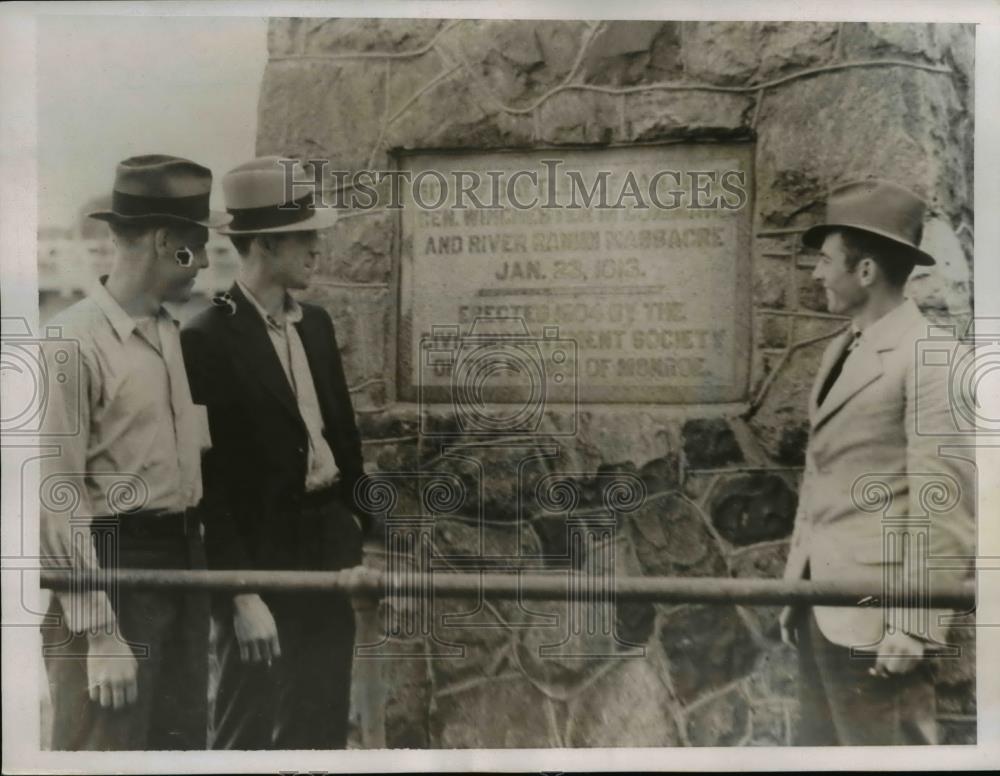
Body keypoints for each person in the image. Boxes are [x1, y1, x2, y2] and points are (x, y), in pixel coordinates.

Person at [40, 155, 231, 749]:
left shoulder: (169, 333)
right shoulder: (71, 342)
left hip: (180, 564)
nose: (202, 262)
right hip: (112, 570)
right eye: (194, 247)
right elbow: (55, 496)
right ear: (162, 241)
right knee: (106, 749)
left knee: (178, 748)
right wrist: (99, 630)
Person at [181, 156, 368, 749]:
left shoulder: (315, 325)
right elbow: (206, 482)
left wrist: (369, 536)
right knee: (249, 726)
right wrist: (239, 592)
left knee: (321, 721)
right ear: (261, 243)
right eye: (303, 235)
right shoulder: (206, 337)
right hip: (260, 561)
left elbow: (344, 441)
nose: (317, 248)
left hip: (329, 548)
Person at [779, 179, 975, 745]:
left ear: (865, 271)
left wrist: (914, 627)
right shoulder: (843, 349)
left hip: (878, 624)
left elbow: (947, 507)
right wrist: (798, 588)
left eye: (826, 260)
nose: (817, 275)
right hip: (819, 606)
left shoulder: (932, 358)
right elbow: (823, 477)